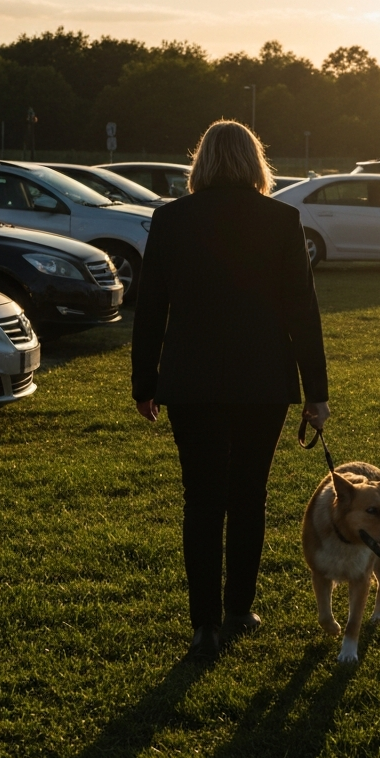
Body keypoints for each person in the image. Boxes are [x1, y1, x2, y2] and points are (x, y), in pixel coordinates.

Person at [131, 120, 329, 662]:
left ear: (202, 163)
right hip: (263, 380)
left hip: (191, 381)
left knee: (202, 500)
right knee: (248, 497)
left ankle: (204, 627)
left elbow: (150, 309)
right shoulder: (282, 219)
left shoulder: (171, 219)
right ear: (255, 162)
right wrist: (317, 391)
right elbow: (301, 313)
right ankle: (240, 607)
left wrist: (143, 382)